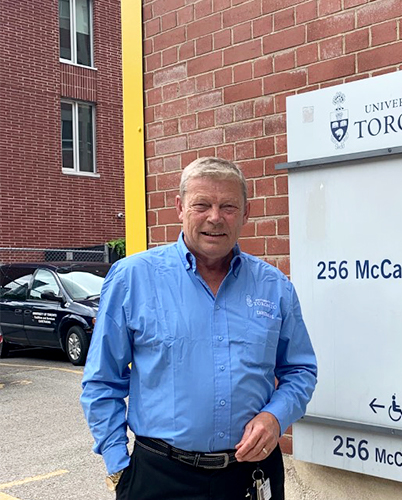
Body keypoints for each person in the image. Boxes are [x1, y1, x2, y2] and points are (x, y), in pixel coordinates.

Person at [81, 157, 317, 500]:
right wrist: (119, 466)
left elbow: (301, 370)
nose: (215, 217)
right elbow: (102, 381)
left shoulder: (274, 287)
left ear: (246, 213)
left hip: (251, 476)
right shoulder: (133, 278)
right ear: (180, 208)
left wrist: (275, 417)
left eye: (228, 206)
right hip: (160, 477)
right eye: (202, 205)